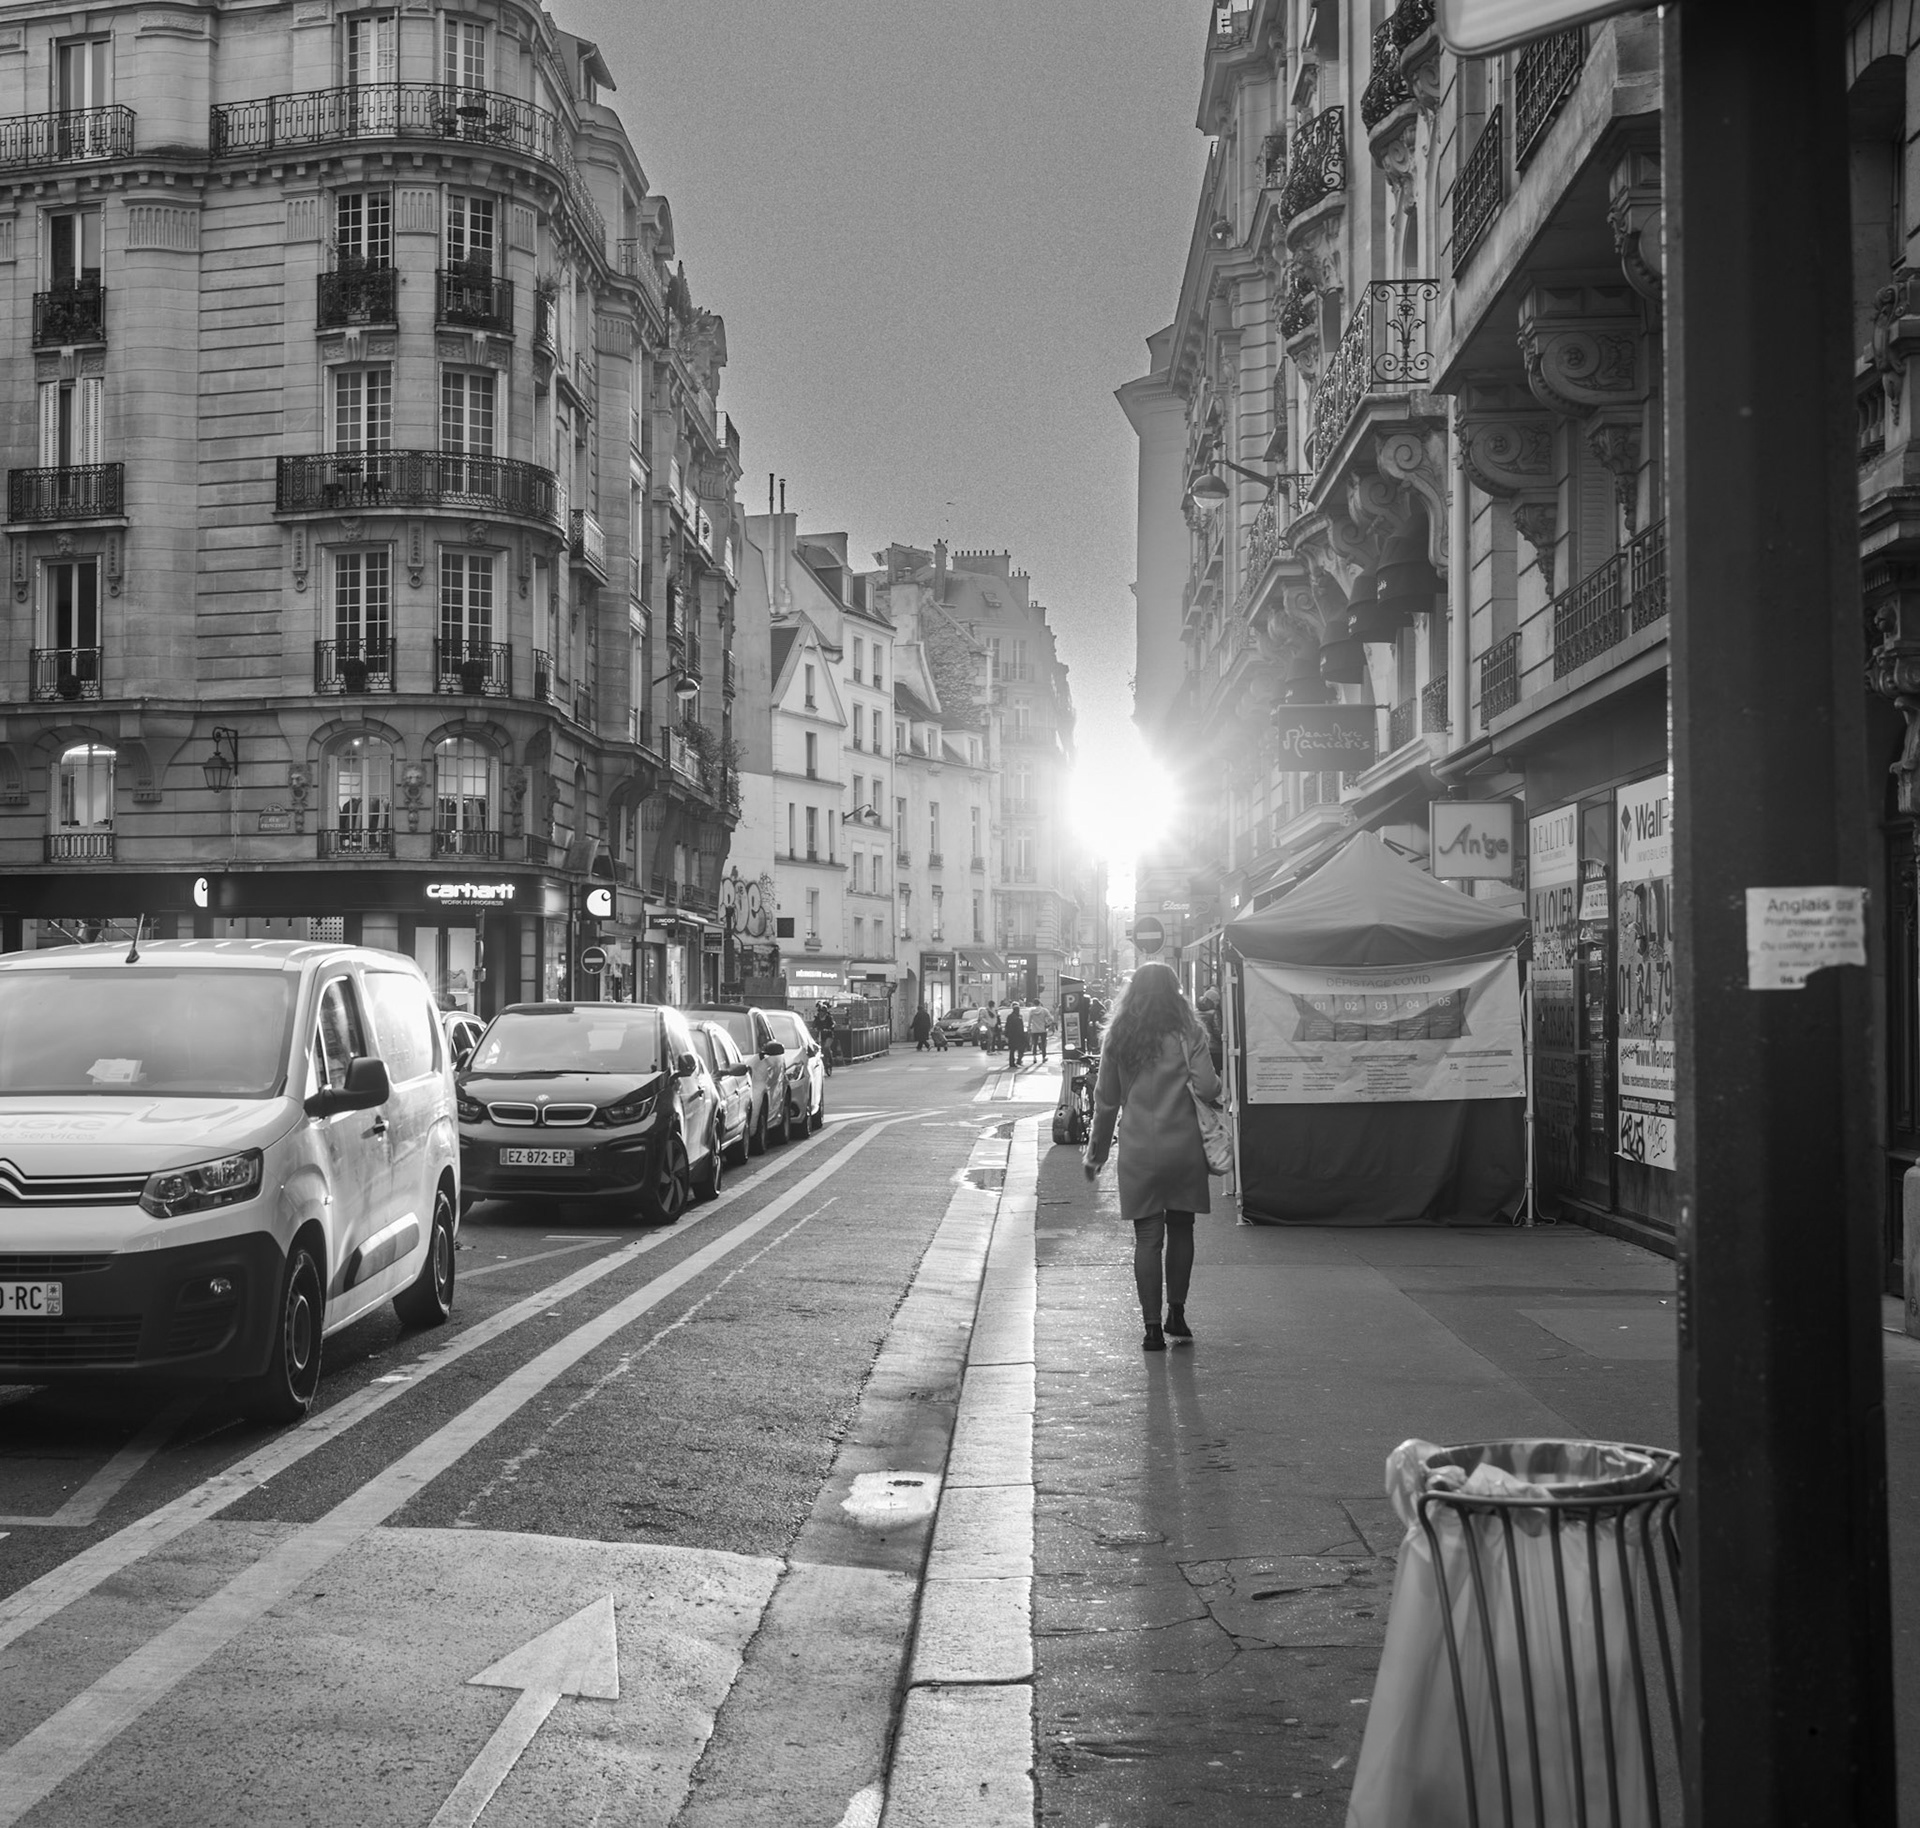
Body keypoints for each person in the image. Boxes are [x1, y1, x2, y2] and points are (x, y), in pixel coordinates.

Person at [1083, 960, 1220, 1352]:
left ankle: (1152, 1330)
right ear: (1176, 992)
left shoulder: (1119, 1036)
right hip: (1183, 1146)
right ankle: (1177, 1312)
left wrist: (1096, 1154)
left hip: (1139, 1148)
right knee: (1182, 1228)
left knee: (1147, 1237)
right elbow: (1207, 1087)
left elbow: (1106, 1102)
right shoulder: (1189, 1032)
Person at [1196, 987, 1224, 1076]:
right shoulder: (1214, 1013)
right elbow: (1218, 1032)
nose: (1217, 1003)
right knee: (1216, 1074)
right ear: (1211, 1001)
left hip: (1201, 1048)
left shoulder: (1195, 1012)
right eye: (1216, 1000)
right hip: (1215, 1049)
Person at [1005, 1002, 1027, 1069]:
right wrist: (1023, 1036)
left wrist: (1006, 1035)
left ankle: (1012, 1062)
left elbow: (1007, 1026)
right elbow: (1020, 1027)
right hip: (1018, 1036)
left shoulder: (1010, 1016)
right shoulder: (1018, 1017)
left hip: (1011, 1036)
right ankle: (1018, 1060)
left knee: (1012, 1050)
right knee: (1021, 1049)